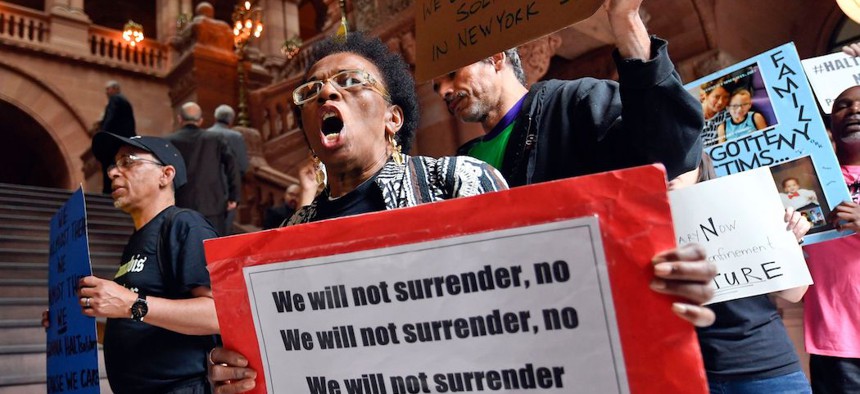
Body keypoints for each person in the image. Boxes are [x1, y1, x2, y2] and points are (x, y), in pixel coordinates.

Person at [207, 30, 717, 394]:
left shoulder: (460, 183)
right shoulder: (290, 236)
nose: (327, 94)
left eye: (348, 81)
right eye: (311, 91)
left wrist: (642, 284)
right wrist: (239, 371)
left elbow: (543, 294)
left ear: (392, 118)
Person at [432, 0, 702, 187]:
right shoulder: (463, 162)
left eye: (452, 74)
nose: (443, 91)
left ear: (496, 58)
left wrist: (625, 19)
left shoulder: (577, 102)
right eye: (436, 87)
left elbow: (667, 150)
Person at [44, 133, 220, 393]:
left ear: (166, 174)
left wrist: (130, 304)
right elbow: (136, 319)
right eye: (113, 165)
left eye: (128, 161)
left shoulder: (184, 225)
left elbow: (218, 314)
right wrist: (75, 329)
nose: (114, 172)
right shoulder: (138, 240)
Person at [669, 163, 813, 393]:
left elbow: (793, 293)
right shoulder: (640, 227)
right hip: (686, 373)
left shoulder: (746, 208)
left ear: (700, 166)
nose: (671, 170)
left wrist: (789, 241)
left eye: (681, 161)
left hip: (764, 367)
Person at [802, 85, 860, 393]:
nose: (853, 109)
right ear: (829, 124)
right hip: (834, 342)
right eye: (843, 105)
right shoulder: (807, 181)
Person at [167, 102, 241, 236]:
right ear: (200, 121)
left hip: (178, 205)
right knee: (214, 249)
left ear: (180, 119)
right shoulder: (216, 139)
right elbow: (232, 165)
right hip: (213, 205)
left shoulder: (169, 141)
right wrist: (233, 196)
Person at [208, 105, 250, 234]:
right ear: (231, 120)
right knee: (224, 228)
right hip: (228, 187)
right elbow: (243, 164)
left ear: (215, 117)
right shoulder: (236, 136)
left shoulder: (205, 135)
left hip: (206, 187)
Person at [98, 80, 137, 194]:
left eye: (108, 89)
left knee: (109, 163)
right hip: (126, 140)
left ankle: (108, 190)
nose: (106, 92)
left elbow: (111, 117)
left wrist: (103, 132)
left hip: (113, 140)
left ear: (115, 89)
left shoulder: (115, 100)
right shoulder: (126, 102)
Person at [699, 81, 731, 147]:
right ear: (706, 95)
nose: (720, 102)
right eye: (717, 97)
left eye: (726, 97)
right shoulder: (692, 113)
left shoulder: (728, 115)